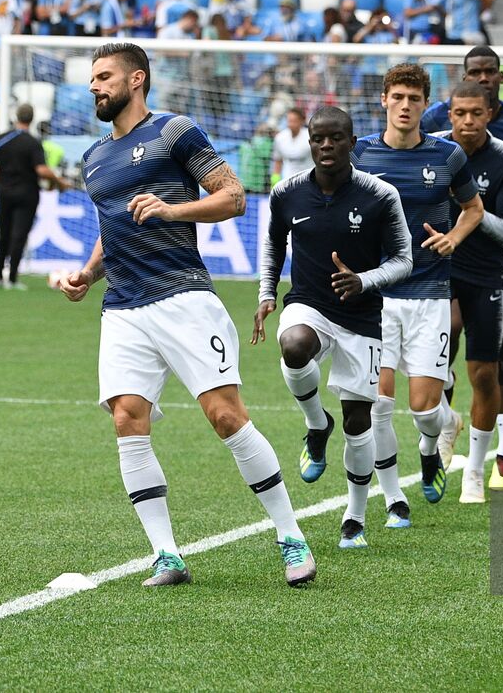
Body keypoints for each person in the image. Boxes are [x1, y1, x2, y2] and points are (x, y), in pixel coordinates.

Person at [57, 42, 316, 587]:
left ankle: (291, 537)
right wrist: (86, 274)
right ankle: (166, 556)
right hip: (123, 307)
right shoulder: (94, 157)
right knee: (127, 418)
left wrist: (172, 209)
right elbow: (113, 230)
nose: (94, 86)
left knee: (225, 416)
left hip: (183, 296)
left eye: (104, 76)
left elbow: (234, 196)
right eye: (92, 79)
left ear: (136, 79)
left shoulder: (174, 131)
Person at [254, 106, 411, 549]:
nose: (326, 145)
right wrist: (267, 293)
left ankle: (354, 516)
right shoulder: (286, 193)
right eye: (318, 138)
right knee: (293, 345)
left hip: (362, 317)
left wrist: (364, 280)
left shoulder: (380, 195)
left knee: (358, 422)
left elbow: (404, 260)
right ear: (309, 143)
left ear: (352, 142)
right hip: (309, 304)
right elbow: (273, 244)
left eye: (336, 138)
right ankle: (316, 423)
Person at [352, 63, 484, 524]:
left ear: (425, 105)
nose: (405, 106)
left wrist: (454, 238)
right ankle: (394, 498)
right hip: (378, 296)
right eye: (398, 97)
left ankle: (435, 443)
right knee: (379, 402)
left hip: (429, 295)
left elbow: (473, 208)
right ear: (384, 100)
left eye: (414, 99)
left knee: (424, 409)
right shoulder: (360, 154)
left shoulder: (447, 155)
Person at [419, 48, 503, 489]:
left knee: (499, 351)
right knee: (440, 343)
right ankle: (445, 428)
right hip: (440, 260)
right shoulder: (433, 130)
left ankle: (499, 456)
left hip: (497, 260)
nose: (482, 78)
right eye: (474, 72)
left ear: (499, 81)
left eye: (489, 72)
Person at [429, 82, 503, 503]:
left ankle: (474, 471)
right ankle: (447, 422)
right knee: (434, 353)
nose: (468, 121)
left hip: (486, 275)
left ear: (489, 114)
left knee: (484, 374)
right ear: (450, 115)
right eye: (460, 113)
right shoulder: (431, 149)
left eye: (476, 113)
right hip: (437, 269)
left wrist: (472, 207)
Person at [0, 103, 68, 288]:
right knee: (19, 235)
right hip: (27, 193)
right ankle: (12, 278)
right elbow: (41, 170)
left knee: (4, 232)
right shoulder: (33, 142)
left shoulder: (0, 138)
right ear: (32, 119)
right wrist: (59, 182)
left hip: (4, 191)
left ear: (16, 117)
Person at [272, 107, 310, 182]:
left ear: (301, 121)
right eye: (289, 121)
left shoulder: (310, 137)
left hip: (307, 180)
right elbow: (278, 161)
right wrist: (275, 180)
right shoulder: (280, 138)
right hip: (287, 181)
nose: (291, 124)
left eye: (294, 121)